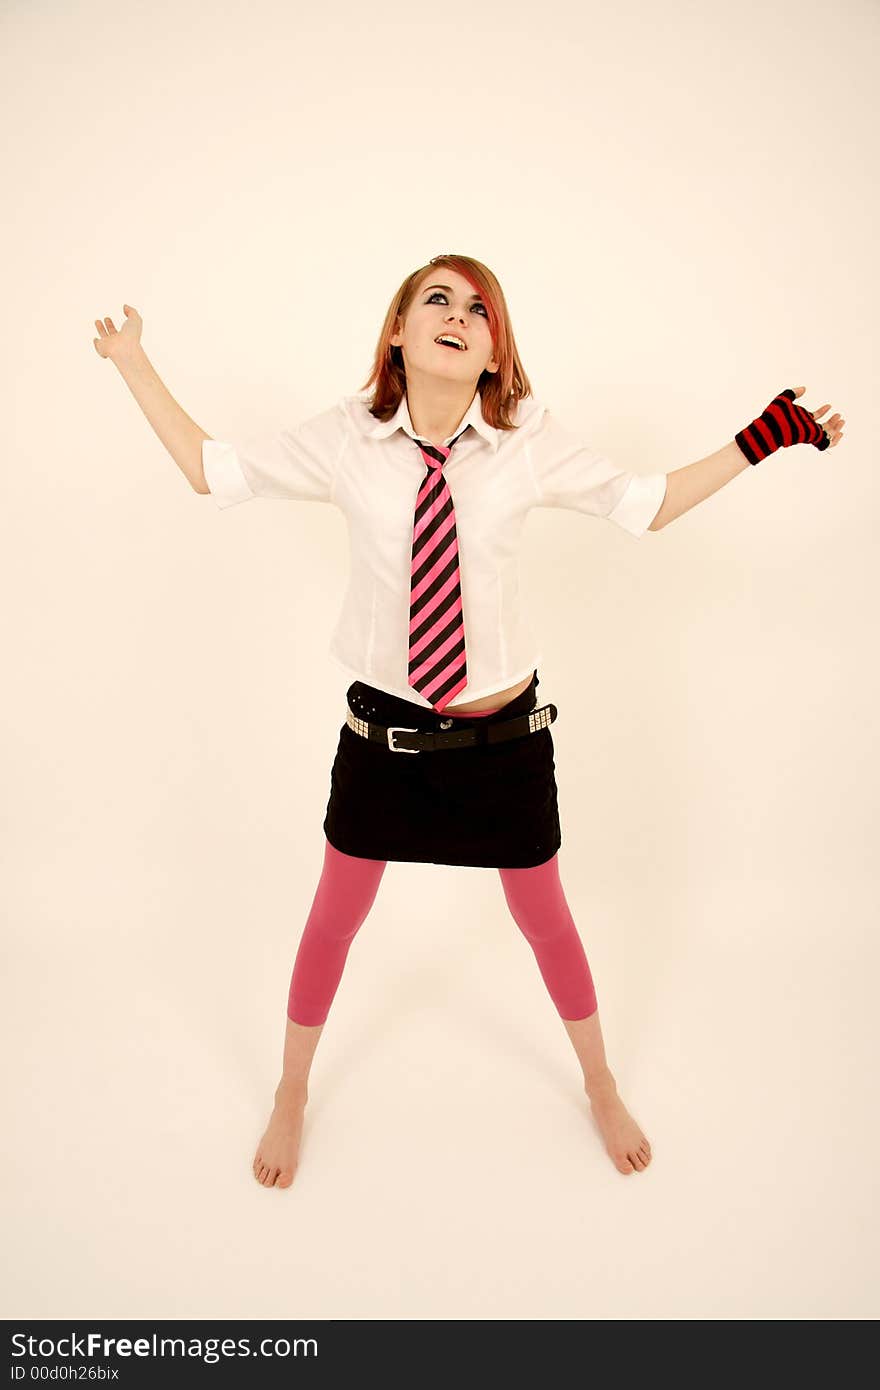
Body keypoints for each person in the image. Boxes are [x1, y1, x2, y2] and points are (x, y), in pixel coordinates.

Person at [94, 255, 845, 1189]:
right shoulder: (347, 438)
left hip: (503, 744)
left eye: (480, 309)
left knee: (547, 920)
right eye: (436, 300)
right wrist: (130, 360)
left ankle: (600, 1081)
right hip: (386, 743)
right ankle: (292, 1091)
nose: (459, 316)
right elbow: (213, 472)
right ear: (399, 332)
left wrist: (761, 437)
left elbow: (644, 507)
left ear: (496, 352)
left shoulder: (526, 437)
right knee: (334, 917)